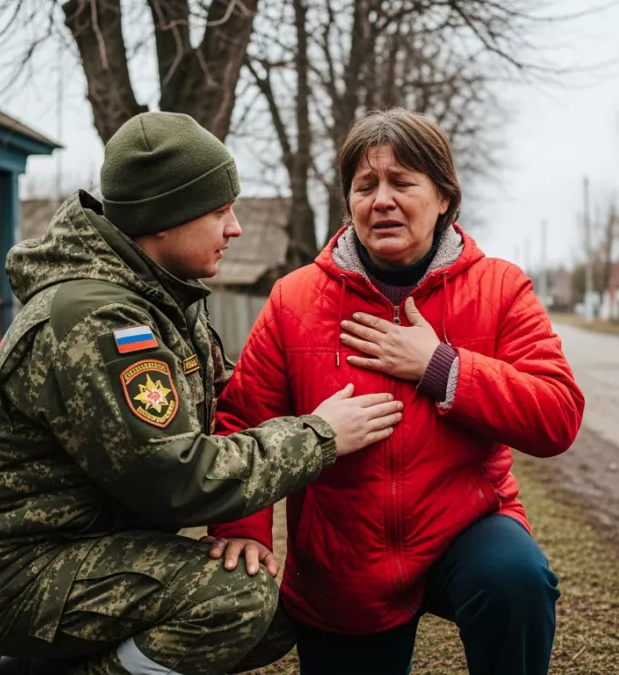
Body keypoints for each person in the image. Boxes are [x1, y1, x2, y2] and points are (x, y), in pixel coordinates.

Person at [0, 111, 404, 675]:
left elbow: (234, 399)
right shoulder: (98, 321)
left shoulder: (161, 300)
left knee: (279, 613)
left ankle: (28, 669)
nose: (235, 229)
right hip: (7, 567)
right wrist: (319, 436)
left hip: (78, 543)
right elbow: (178, 479)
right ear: (164, 220)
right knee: (234, 600)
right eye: (219, 212)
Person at [206, 108, 585, 675]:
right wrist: (242, 528)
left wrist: (440, 366)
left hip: (467, 530)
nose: (381, 200)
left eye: (402, 182)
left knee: (517, 579)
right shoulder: (295, 300)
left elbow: (557, 414)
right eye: (365, 186)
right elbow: (242, 420)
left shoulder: (500, 288)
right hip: (345, 555)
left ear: (444, 197)